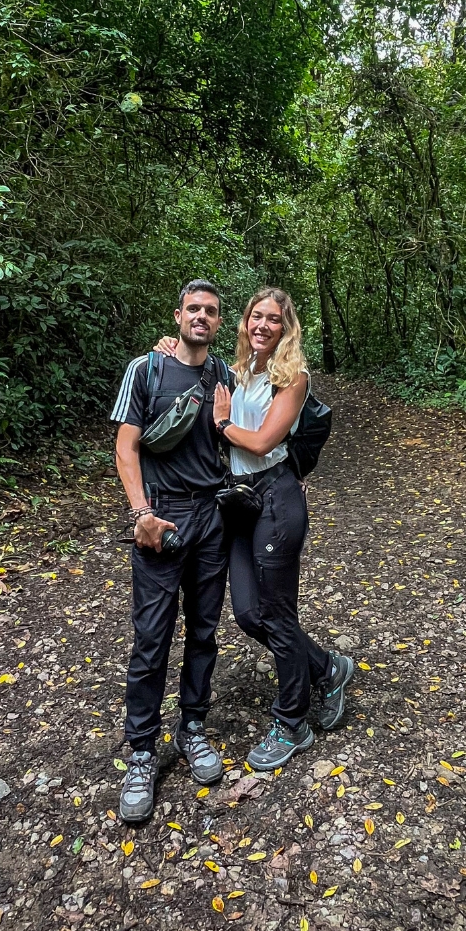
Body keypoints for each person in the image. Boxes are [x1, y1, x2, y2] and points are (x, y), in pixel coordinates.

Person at [210, 287, 352, 770]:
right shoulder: (235, 372)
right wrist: (167, 345)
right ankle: (327, 668)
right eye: (256, 316)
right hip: (239, 502)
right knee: (249, 614)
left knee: (276, 612)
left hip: (276, 497)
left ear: (286, 327)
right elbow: (187, 359)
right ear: (245, 322)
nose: (262, 325)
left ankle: (292, 722)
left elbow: (265, 440)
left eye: (273, 319)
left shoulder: (292, 377)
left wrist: (225, 424)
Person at [109, 280, 233, 823]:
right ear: (178, 314)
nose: (201, 317)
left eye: (210, 311)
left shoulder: (223, 374)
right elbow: (125, 445)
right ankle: (141, 749)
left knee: (204, 628)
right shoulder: (147, 369)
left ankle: (193, 728)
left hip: (213, 516)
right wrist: (141, 513)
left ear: (218, 321)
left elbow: (250, 432)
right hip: (162, 514)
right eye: (193, 309)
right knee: (153, 634)